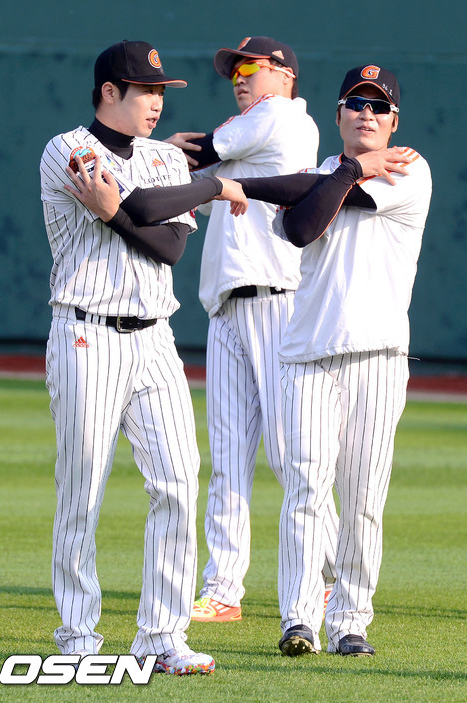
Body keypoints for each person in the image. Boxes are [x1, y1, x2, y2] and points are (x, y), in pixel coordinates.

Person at [39, 39, 248, 676]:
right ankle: (78, 634)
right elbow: (146, 211)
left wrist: (121, 211)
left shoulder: (164, 157)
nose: (156, 102)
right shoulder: (66, 148)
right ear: (110, 92)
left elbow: (169, 247)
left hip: (156, 337)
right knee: (82, 488)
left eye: (161, 91)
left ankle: (161, 637)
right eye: (145, 91)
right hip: (87, 334)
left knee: (179, 481)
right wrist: (208, 187)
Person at [234, 64, 432, 656]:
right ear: (338, 114)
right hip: (307, 356)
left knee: (363, 497)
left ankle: (350, 621)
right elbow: (301, 228)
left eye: (378, 105)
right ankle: (299, 619)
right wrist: (346, 170)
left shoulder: (409, 168)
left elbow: (336, 200)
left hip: (378, 355)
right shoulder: (323, 173)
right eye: (356, 102)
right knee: (305, 490)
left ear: (394, 121)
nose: (367, 113)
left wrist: (339, 177)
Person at [166, 36, 339, 623]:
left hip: (277, 302)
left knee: (294, 453)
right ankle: (223, 588)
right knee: (229, 455)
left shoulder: (281, 116)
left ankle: (327, 577)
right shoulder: (250, 139)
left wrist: (160, 150)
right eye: (232, 71)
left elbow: (200, 155)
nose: (238, 77)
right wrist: (181, 163)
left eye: (248, 67)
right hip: (227, 307)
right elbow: (200, 182)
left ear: (284, 74)